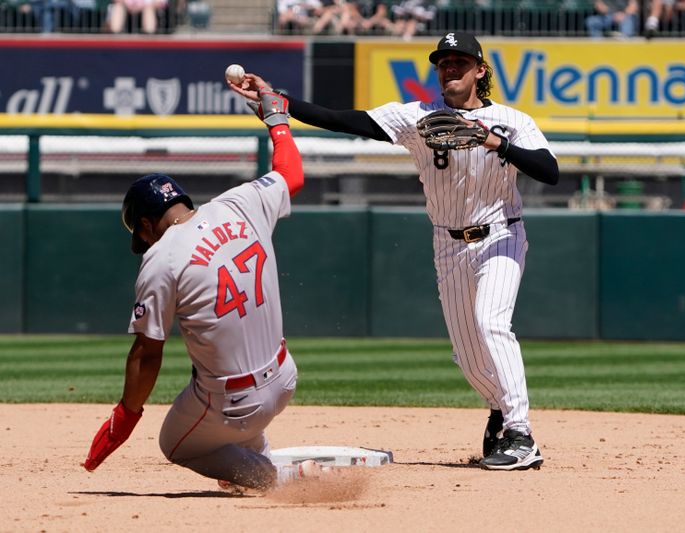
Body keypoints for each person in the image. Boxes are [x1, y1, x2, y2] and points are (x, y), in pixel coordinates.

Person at [231, 31, 559, 471]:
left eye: (460, 61)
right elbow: (345, 119)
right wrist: (277, 99)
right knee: (468, 353)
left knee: (491, 322)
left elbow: (550, 170)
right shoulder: (418, 116)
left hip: (501, 233)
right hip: (448, 242)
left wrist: (494, 141)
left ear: (480, 71)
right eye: (443, 62)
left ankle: (521, 434)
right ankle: (501, 409)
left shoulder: (512, 121)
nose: (450, 68)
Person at [83, 81, 322, 490]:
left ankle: (275, 478)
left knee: (175, 444)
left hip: (234, 403)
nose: (145, 243)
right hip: (284, 379)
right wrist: (277, 122)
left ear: (145, 224)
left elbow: (147, 352)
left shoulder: (162, 257)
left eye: (142, 235)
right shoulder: (240, 202)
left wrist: (125, 415)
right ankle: (251, 457)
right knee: (219, 402)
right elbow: (291, 174)